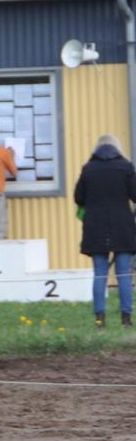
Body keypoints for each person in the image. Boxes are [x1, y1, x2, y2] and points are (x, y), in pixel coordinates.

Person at [73, 134, 136, 328]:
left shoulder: (88, 168)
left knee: (100, 272)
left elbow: (79, 198)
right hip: (122, 225)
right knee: (123, 273)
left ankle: (99, 319)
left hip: (95, 226)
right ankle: (126, 319)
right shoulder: (126, 167)